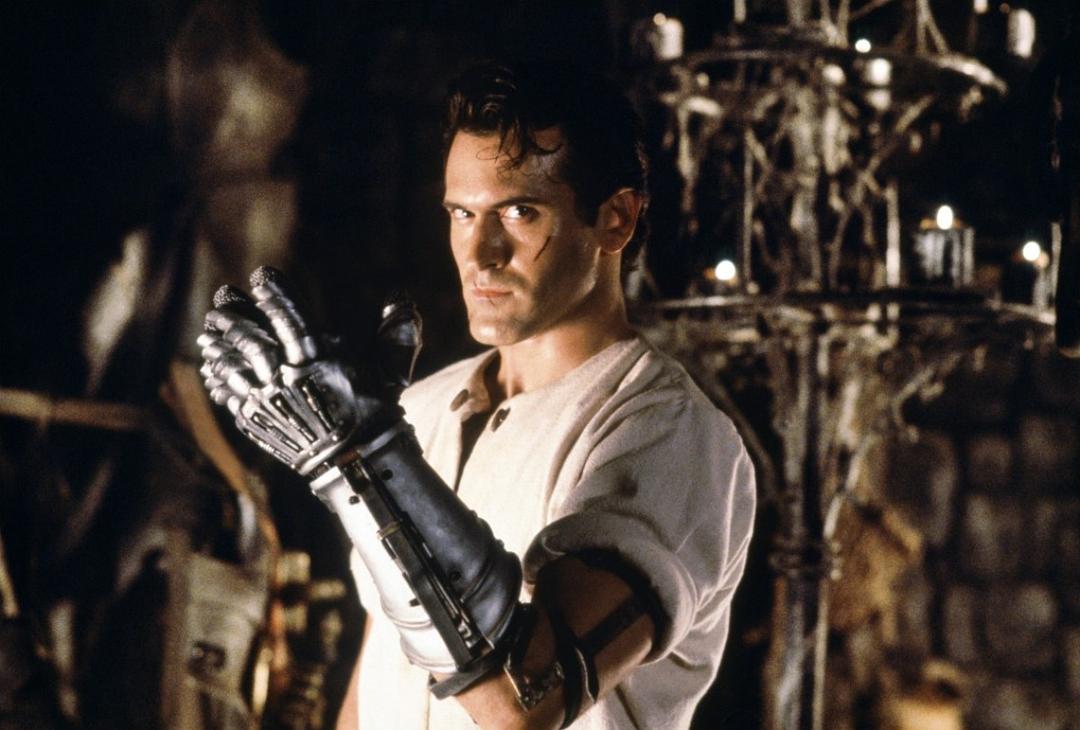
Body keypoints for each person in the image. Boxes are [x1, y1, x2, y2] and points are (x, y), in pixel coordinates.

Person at [198, 59, 755, 730]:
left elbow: (526, 701)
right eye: (462, 213)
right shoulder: (419, 408)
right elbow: (378, 681)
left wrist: (360, 464)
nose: (480, 252)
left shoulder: (674, 436)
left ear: (616, 220)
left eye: (520, 212)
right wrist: (369, 457)